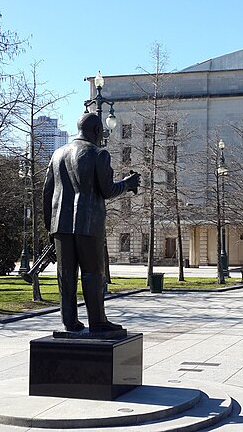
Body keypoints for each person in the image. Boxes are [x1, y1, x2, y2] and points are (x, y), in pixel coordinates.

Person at [42, 113, 140, 333]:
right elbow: (107, 190)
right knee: (92, 273)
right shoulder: (98, 154)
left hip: (61, 225)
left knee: (66, 274)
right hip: (88, 223)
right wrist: (128, 183)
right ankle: (98, 321)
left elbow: (46, 193)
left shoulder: (57, 154)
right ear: (96, 131)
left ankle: (69, 321)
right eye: (101, 133)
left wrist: (50, 227)